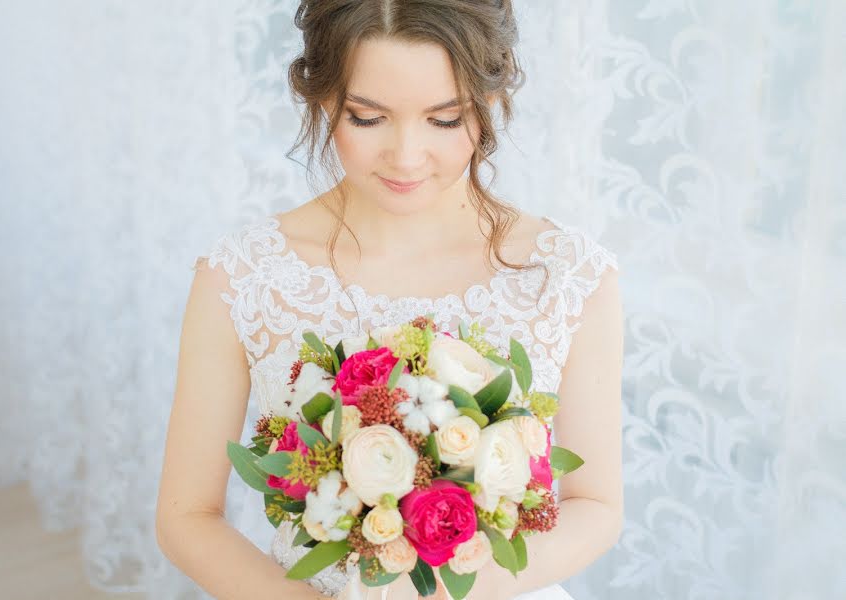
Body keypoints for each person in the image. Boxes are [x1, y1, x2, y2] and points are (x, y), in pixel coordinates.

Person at [155, 1, 624, 598]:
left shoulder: (567, 275)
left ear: (491, 100)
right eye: (369, 117)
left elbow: (596, 504)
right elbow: (185, 516)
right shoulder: (243, 277)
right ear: (324, 98)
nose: (406, 156)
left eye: (445, 120)